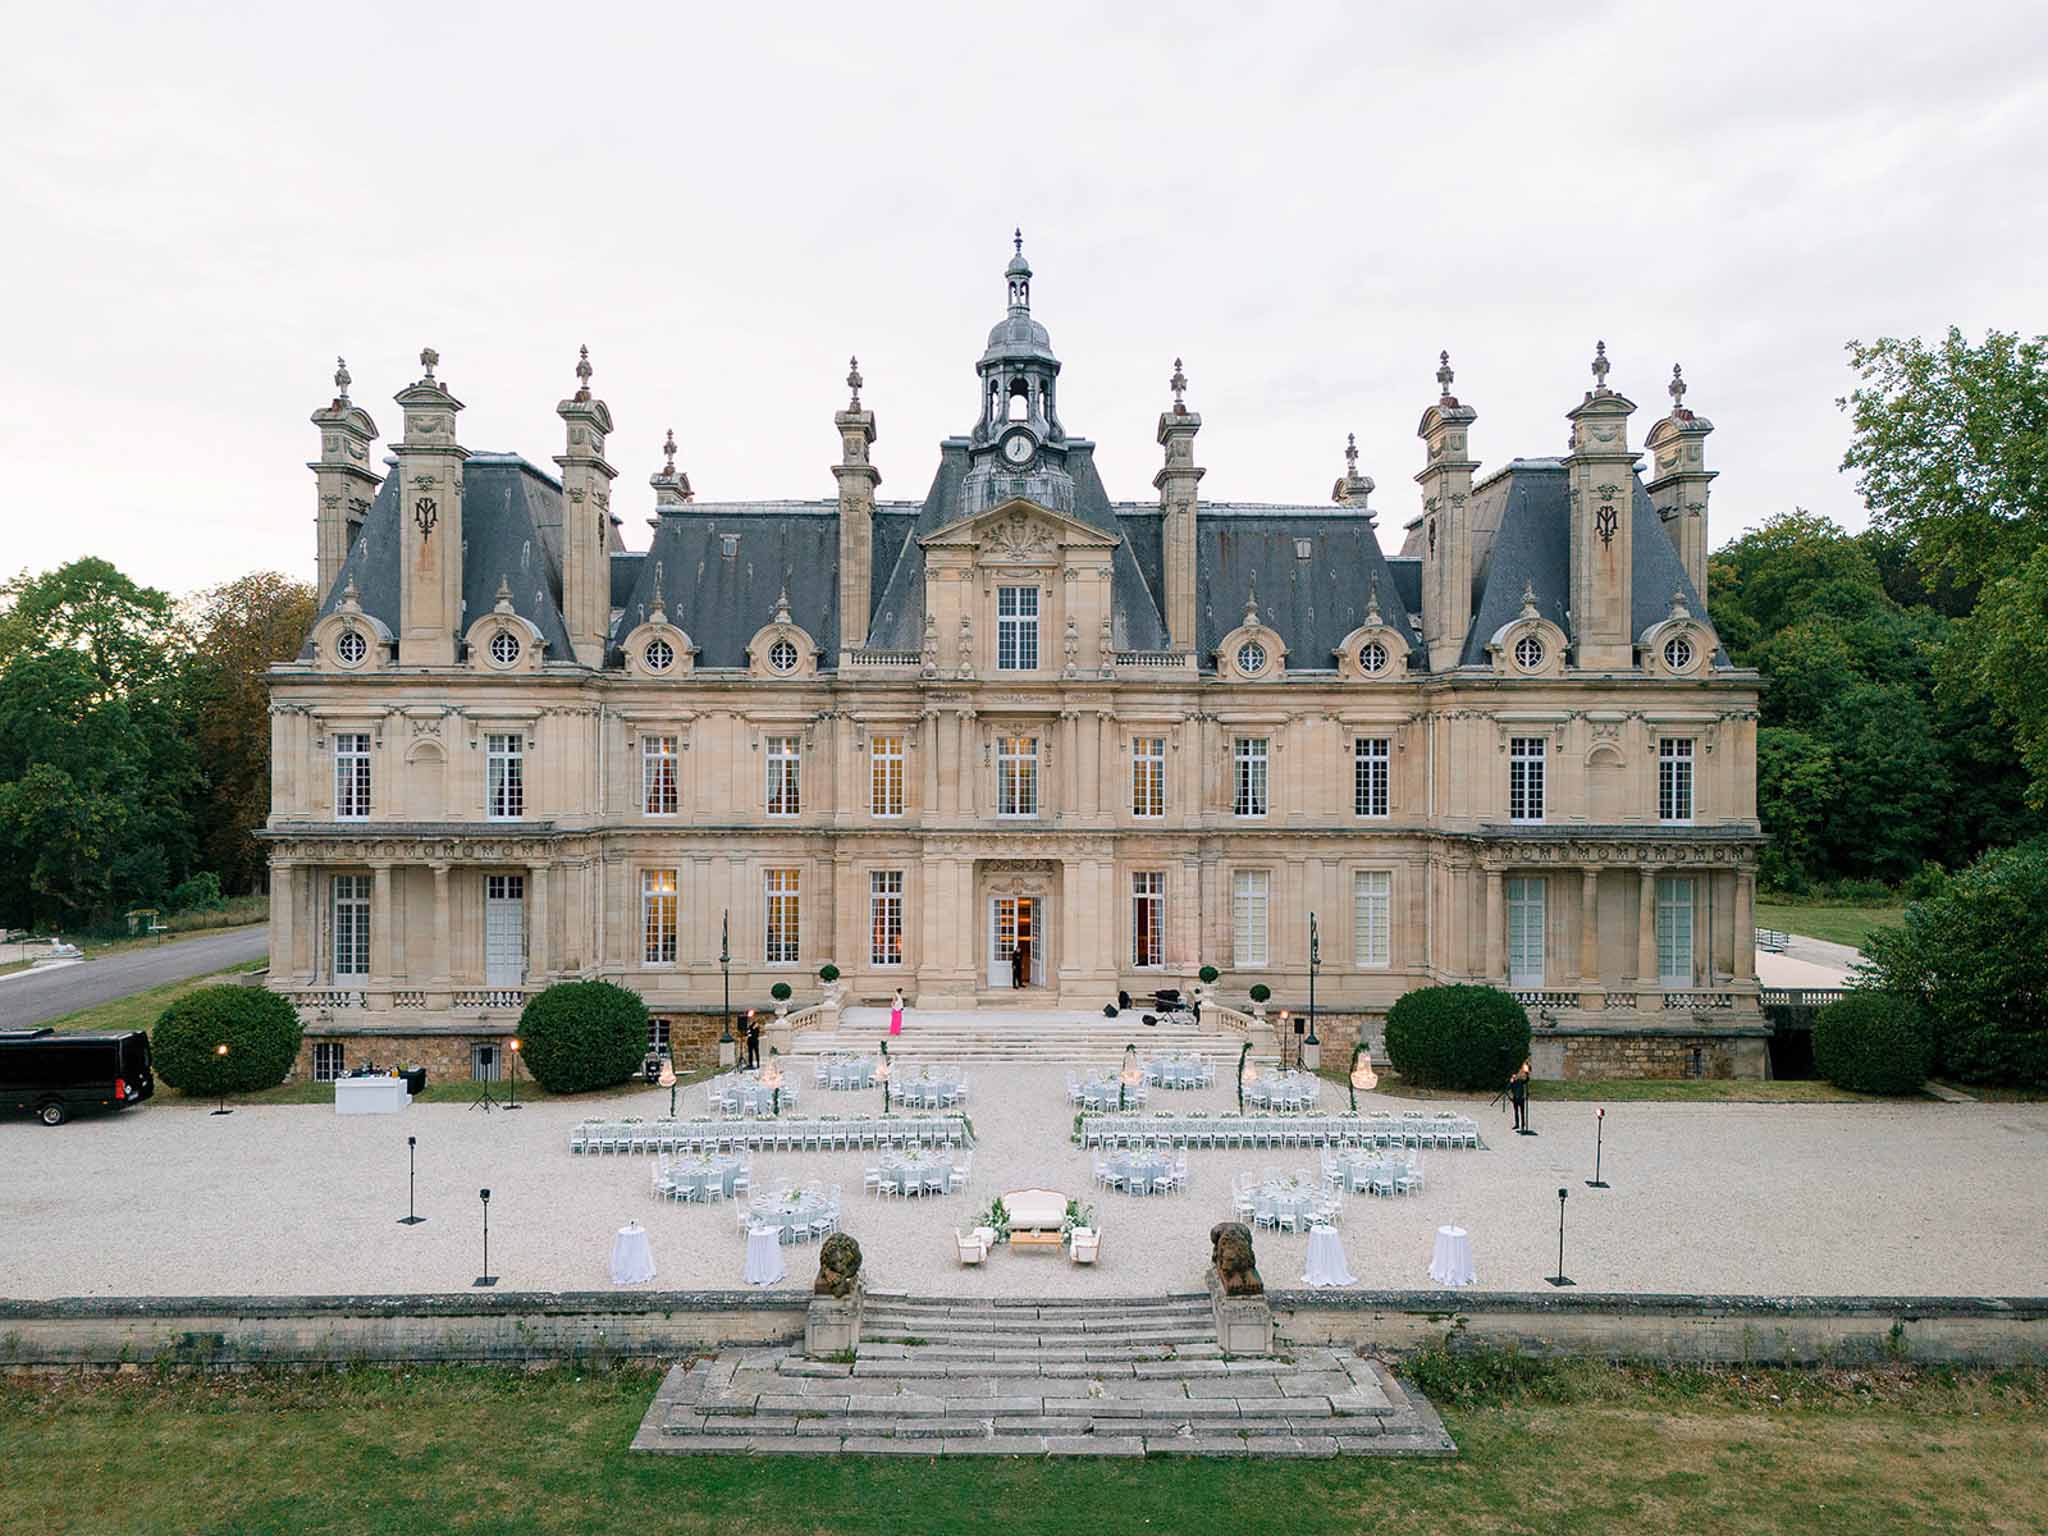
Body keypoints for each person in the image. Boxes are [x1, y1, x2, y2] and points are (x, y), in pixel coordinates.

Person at [1509, 1059, 1532, 1134]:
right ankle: (1517, 1124)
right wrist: (1511, 1096)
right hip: (1515, 1098)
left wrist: (1527, 1073)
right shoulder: (1513, 1082)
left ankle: (1522, 1125)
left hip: (1521, 1098)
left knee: (1522, 1112)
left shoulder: (1520, 1081)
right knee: (1516, 1111)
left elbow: (1527, 1080)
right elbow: (1510, 1088)